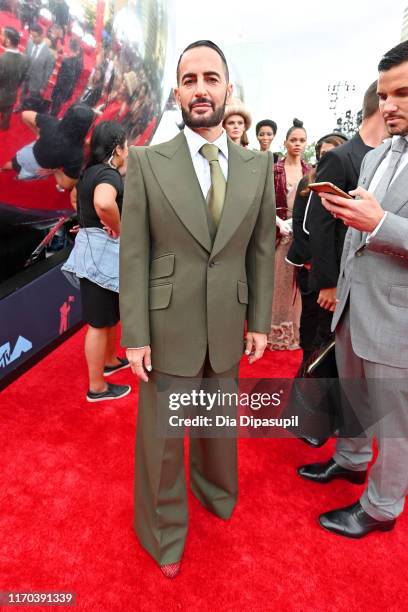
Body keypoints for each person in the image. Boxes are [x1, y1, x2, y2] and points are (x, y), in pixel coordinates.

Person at [119, 39, 275, 578]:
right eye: (190, 80)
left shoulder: (259, 165)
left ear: (228, 90)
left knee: (216, 425)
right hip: (166, 324)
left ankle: (215, 492)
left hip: (230, 320)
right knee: (163, 441)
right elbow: (133, 251)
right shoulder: (145, 162)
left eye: (212, 78)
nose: (201, 89)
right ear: (176, 93)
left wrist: (259, 322)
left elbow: (259, 250)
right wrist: (134, 333)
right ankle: (163, 532)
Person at [299, 40, 408, 538]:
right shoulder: (376, 155)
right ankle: (350, 459)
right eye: (384, 95)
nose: (389, 106)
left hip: (397, 316)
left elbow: (378, 226)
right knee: (357, 399)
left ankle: (383, 508)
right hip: (352, 305)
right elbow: (353, 236)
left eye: (403, 93)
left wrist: (380, 222)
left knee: (396, 424)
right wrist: (338, 290)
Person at [305, 81, 386, 347]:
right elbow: (320, 223)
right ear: (381, 104)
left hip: (368, 287)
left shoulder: (385, 158)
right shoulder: (340, 157)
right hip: (336, 284)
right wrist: (328, 282)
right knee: (323, 359)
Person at [63, 121, 131, 402]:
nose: (128, 151)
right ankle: (97, 388)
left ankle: (111, 361)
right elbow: (103, 203)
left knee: (108, 316)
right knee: (99, 322)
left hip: (95, 252)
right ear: (117, 148)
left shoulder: (89, 172)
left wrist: (90, 224)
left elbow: (79, 203)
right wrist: (119, 227)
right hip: (101, 255)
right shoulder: (108, 174)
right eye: (126, 146)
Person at [287, 133, 348, 367]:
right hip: (312, 266)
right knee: (312, 319)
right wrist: (311, 261)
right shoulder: (307, 181)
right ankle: (308, 369)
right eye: (323, 155)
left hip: (340, 269)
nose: (327, 160)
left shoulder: (351, 180)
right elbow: (301, 226)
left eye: (332, 155)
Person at [268, 118, 310, 350]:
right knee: (279, 284)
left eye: (302, 140)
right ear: (285, 143)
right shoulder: (274, 170)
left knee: (299, 286)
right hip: (278, 235)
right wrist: (277, 222)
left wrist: (298, 222)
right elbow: (263, 201)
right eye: (293, 140)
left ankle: (294, 331)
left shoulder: (310, 171)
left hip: (301, 234)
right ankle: (275, 332)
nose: (297, 144)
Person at [2, 102, 94, 189]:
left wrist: (37, 133)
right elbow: (67, 184)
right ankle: (18, 178)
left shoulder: (51, 123)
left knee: (13, 164)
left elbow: (25, 114)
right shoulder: (77, 153)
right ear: (87, 127)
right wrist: (56, 171)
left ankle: (2, 169)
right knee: (25, 176)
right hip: (41, 168)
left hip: (29, 154)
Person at [0, 26, 29, 130]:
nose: (1, 37)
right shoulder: (25, 59)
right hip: (12, 95)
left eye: (2, 35)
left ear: (8, 41)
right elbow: (23, 79)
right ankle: (4, 126)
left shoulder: (1, 59)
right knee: (6, 118)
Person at [21, 24, 55, 103]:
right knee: (22, 93)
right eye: (31, 35)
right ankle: (20, 105)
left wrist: (43, 87)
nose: (32, 38)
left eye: (35, 36)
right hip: (25, 76)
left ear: (41, 36)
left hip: (37, 82)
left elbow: (48, 72)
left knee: (32, 100)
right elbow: (25, 57)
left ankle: (27, 109)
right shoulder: (29, 42)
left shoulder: (49, 54)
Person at [50, 38, 83, 116]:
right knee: (57, 108)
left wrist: (57, 90)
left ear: (70, 48)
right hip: (67, 90)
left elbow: (62, 78)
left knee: (55, 107)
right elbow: (75, 79)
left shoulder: (66, 61)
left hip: (60, 89)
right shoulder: (79, 64)